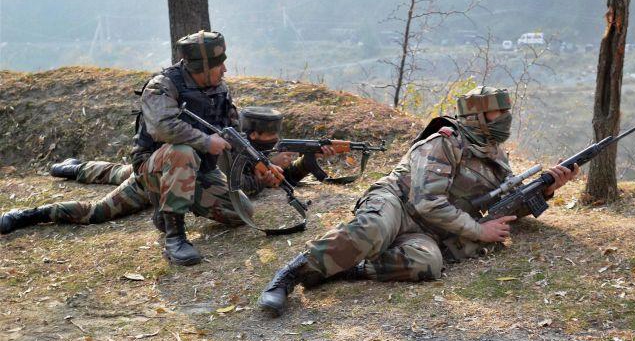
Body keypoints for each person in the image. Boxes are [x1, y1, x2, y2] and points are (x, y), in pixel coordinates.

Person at [257, 86, 579, 316]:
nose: (506, 118)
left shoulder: (494, 152)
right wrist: (479, 232)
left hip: (429, 231)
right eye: (500, 112)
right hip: (398, 201)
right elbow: (427, 202)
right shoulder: (444, 142)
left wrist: (548, 188)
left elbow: (505, 204)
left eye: (507, 111)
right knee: (374, 229)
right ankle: (291, 275)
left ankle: (345, 267)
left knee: (429, 264)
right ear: (478, 116)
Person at [0, 106, 329, 237]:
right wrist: (265, 174)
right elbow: (239, 186)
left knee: (119, 171)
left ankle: (79, 168)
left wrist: (299, 166)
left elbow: (257, 184)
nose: (269, 148)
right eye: (267, 143)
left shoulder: (243, 140)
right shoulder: (231, 147)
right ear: (253, 136)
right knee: (98, 211)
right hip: (159, 181)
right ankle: (30, 214)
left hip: (177, 178)